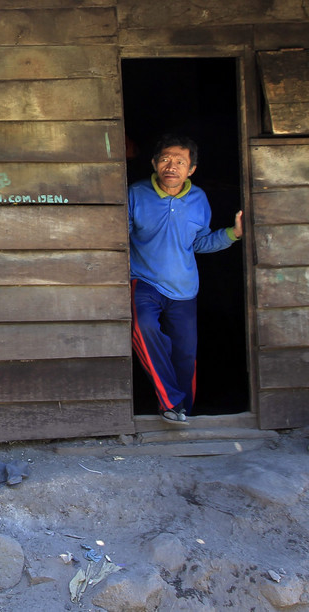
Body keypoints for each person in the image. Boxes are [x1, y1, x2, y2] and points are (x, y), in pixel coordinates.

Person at [128, 134, 243, 424]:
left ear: (190, 169)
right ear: (154, 163)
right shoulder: (135, 194)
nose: (172, 166)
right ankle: (170, 403)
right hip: (144, 281)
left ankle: (184, 414)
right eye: (165, 159)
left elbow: (200, 243)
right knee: (144, 328)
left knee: (184, 355)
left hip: (184, 289)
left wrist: (234, 234)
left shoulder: (198, 199)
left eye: (180, 161)